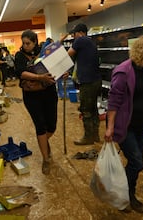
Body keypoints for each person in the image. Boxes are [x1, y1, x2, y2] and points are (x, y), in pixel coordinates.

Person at [104, 34, 143, 213]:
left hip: (140, 124)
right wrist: (110, 127)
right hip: (125, 126)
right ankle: (127, 195)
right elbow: (113, 102)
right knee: (137, 163)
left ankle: (125, 192)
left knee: (135, 161)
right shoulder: (123, 72)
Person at [14, 29, 57, 175]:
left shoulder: (46, 52)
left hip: (49, 94)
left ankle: (44, 141)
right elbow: (21, 72)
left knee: (51, 127)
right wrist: (40, 78)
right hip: (32, 97)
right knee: (40, 126)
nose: (25, 46)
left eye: (28, 43)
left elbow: (56, 68)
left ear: (35, 42)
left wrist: (62, 73)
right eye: (24, 43)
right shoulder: (19, 56)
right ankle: (46, 159)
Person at [65, 23, 102, 145]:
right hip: (96, 81)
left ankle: (88, 137)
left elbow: (67, 55)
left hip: (88, 82)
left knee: (86, 109)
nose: (74, 37)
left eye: (74, 34)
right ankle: (95, 135)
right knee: (93, 109)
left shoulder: (80, 40)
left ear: (79, 32)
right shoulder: (90, 42)